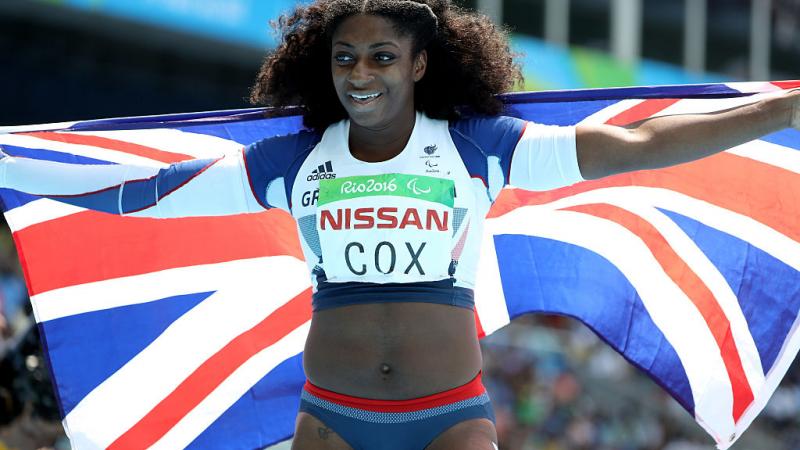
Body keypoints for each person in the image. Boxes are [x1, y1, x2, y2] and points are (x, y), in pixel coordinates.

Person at [0, 0, 798, 449]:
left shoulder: (484, 149)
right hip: (331, 418)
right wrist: (25, 174)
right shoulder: (296, 160)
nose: (360, 74)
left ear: (418, 65)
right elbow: (150, 194)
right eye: (346, 58)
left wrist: (788, 106)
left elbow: (643, 144)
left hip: (446, 416)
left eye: (382, 56)